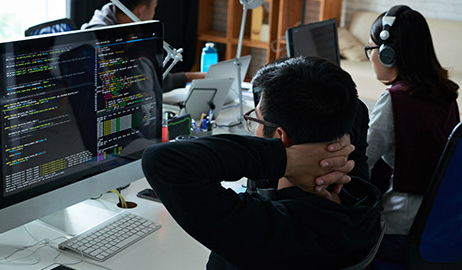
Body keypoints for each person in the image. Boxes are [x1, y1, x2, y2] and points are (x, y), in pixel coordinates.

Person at [142, 56, 382, 269]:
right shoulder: (359, 195)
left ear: (280, 137)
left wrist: (285, 160)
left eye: (256, 120)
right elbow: (357, 110)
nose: (254, 128)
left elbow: (161, 160)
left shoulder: (265, 229)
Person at [364, 5, 460, 263]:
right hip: (440, 227)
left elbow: (361, 160)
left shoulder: (394, 99)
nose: (370, 57)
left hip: (400, 232)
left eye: (371, 49)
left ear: (388, 54)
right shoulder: (446, 94)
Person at [81, 0, 205, 92]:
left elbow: (149, 77)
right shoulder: (105, 41)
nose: (154, 13)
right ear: (141, 11)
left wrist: (195, 77)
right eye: (154, 6)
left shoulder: (119, 26)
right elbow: (137, 82)